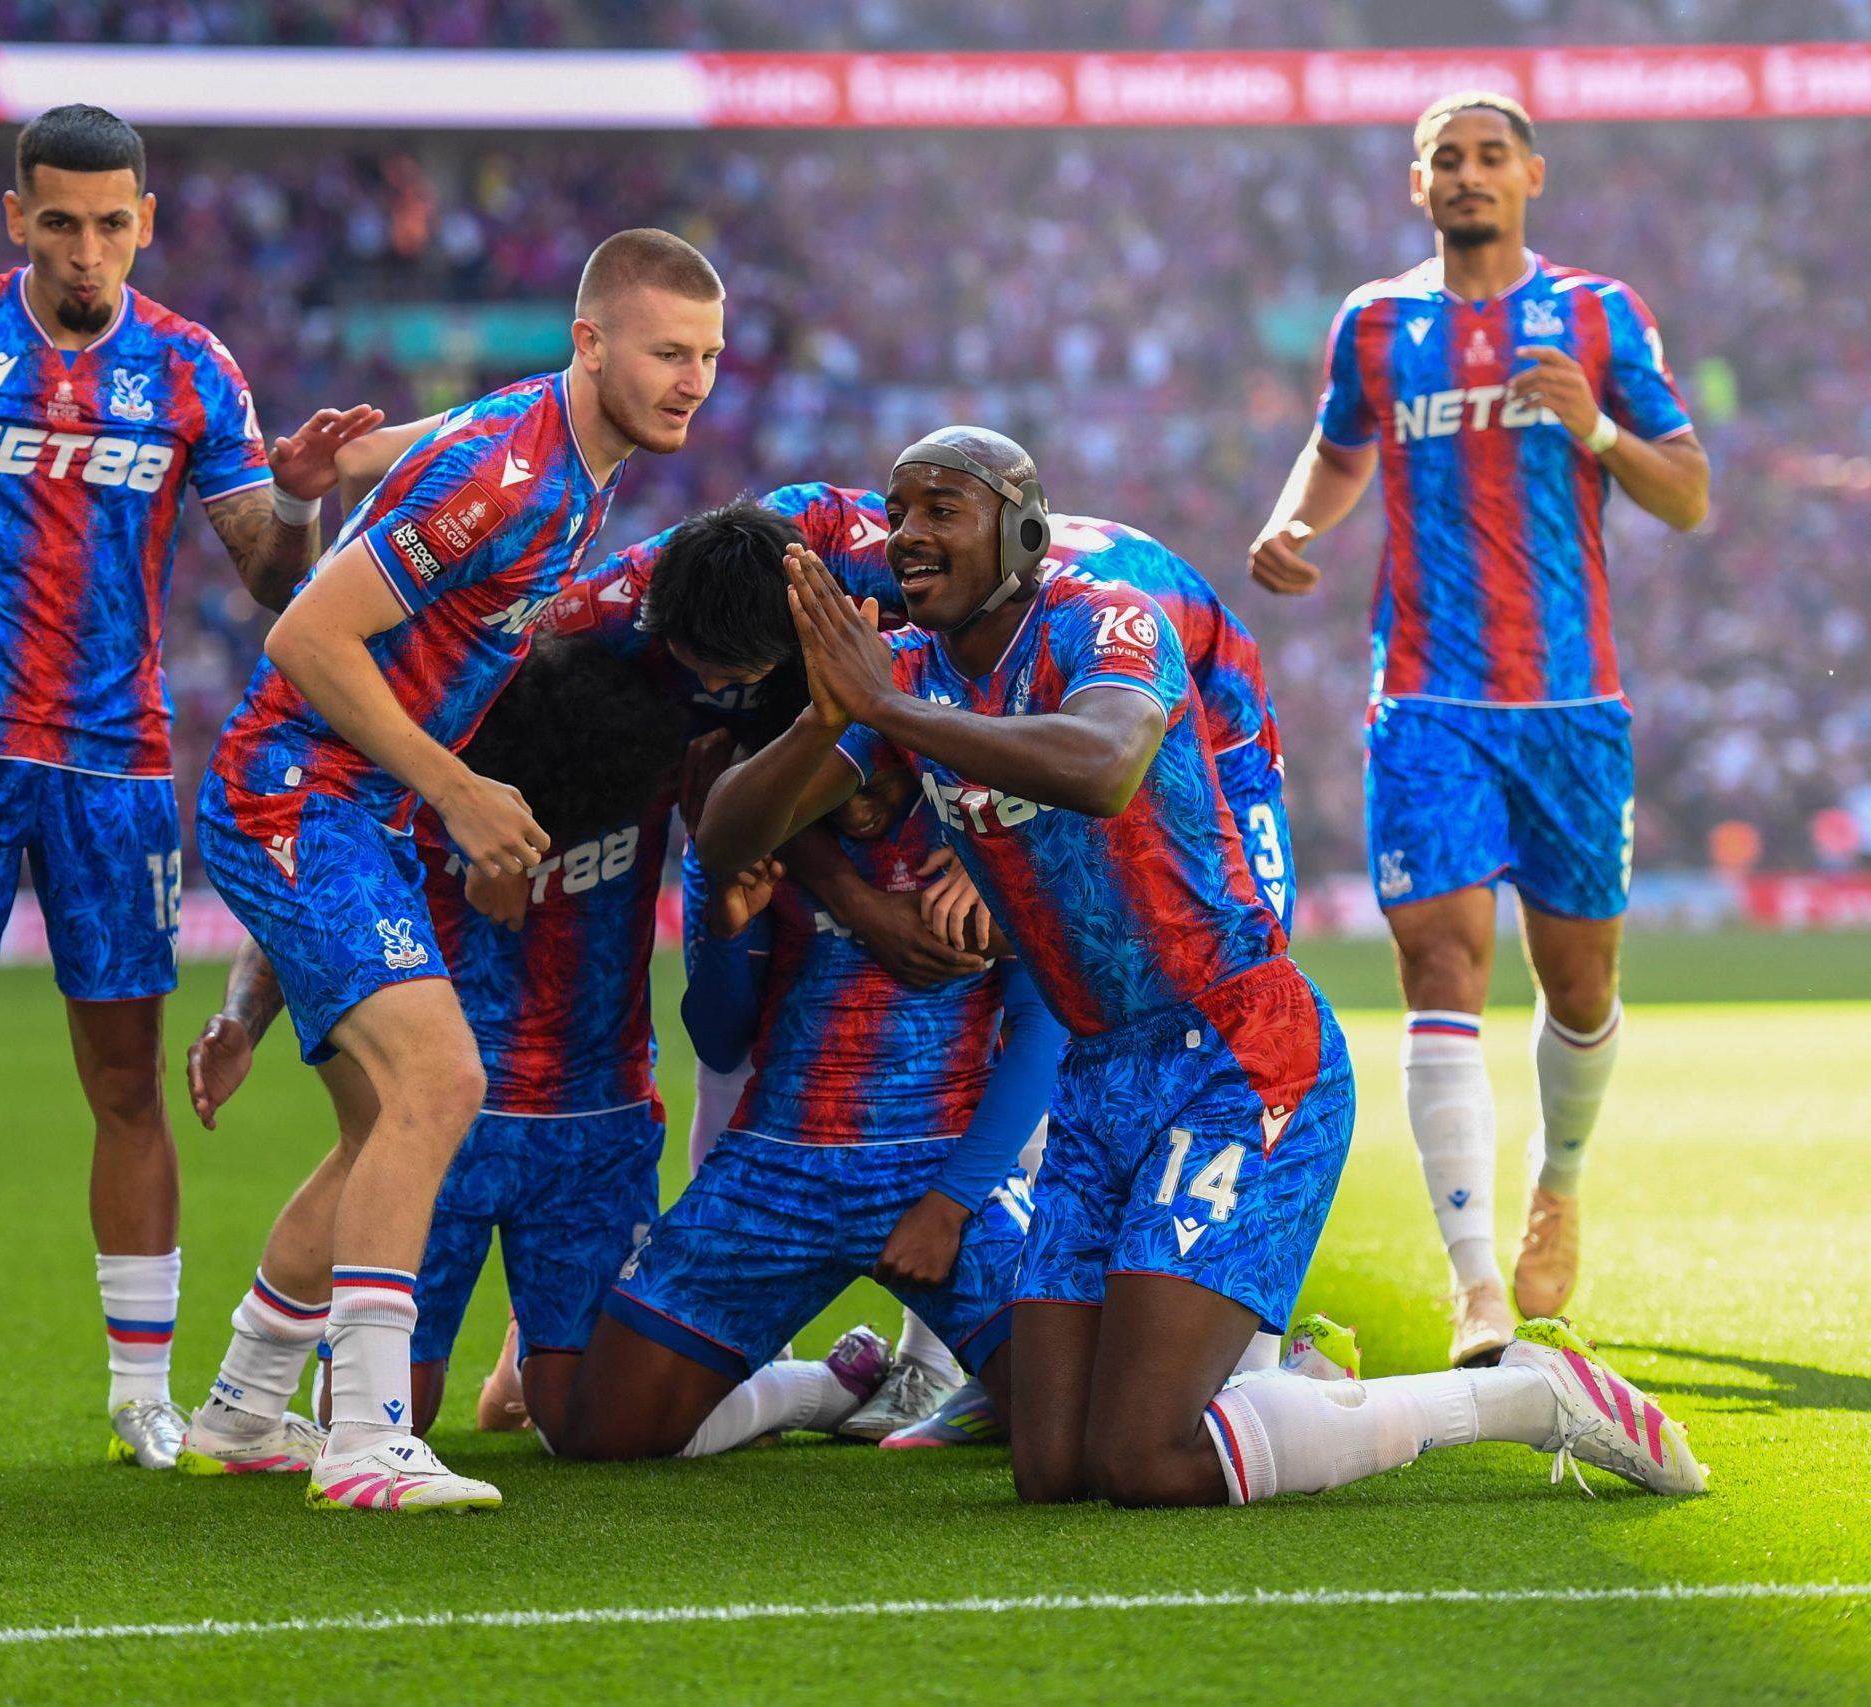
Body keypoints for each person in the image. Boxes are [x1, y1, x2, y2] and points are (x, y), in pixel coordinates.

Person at [701, 425, 1704, 1507]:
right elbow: (722, 836)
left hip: (1236, 1053)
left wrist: (888, 713)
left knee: (1143, 1461)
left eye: (943, 509)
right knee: (1051, 1470)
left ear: (1023, 530)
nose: (907, 534)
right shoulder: (902, 673)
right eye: (898, 512)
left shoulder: (1104, 619)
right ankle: (1294, 1387)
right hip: (1099, 1075)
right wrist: (825, 721)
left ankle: (1525, 1396)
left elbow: (1105, 763)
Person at [0, 103, 378, 1490]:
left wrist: (301, 501)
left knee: (126, 1084)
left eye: (111, 224)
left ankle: (140, 1398)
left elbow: (269, 574)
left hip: (114, 770)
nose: (84, 249)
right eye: (58, 222)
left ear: (146, 222)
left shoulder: (191, 369)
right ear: (17, 218)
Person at [188, 228, 724, 1512]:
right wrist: (457, 787)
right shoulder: (513, 475)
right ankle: (366, 1441)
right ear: (589, 343)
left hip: (343, 807)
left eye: (707, 356)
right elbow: (307, 635)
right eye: (667, 352)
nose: (692, 382)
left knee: (380, 1126)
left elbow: (406, 448)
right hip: (296, 795)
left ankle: (241, 1410)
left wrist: (326, 473)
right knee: (444, 1078)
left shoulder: (557, 445)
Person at [1248, 91, 1709, 1365]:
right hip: (1425, 699)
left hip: (1571, 708)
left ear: (1529, 176)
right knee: (1440, 970)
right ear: (1417, 185)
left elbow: (1687, 493)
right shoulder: (1375, 323)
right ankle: (1475, 1286)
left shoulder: (1599, 316)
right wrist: (1295, 521)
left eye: (1489, 156)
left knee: (1580, 986)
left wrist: (1595, 426)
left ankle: (1557, 1182)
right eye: (1444, 158)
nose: (1466, 174)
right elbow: (1339, 450)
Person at [185, 639, 685, 1441]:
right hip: (446, 1129)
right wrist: (242, 1015)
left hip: (592, 1127)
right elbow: (316, 900)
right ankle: (293, 1419)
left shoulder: (640, 767)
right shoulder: (416, 793)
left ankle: (800, 1385)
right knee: (379, 1406)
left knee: (590, 1422)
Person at [530, 762, 1054, 1463]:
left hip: (938, 1171)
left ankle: (979, 1377)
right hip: (771, 1169)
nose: (859, 805)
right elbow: (721, 1042)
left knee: (1078, 1426)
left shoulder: (978, 829)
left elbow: (1040, 1033)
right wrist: (724, 935)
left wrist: (949, 1204)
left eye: (876, 782)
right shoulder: (756, 827)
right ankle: (824, 1388)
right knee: (602, 1433)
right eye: (844, 782)